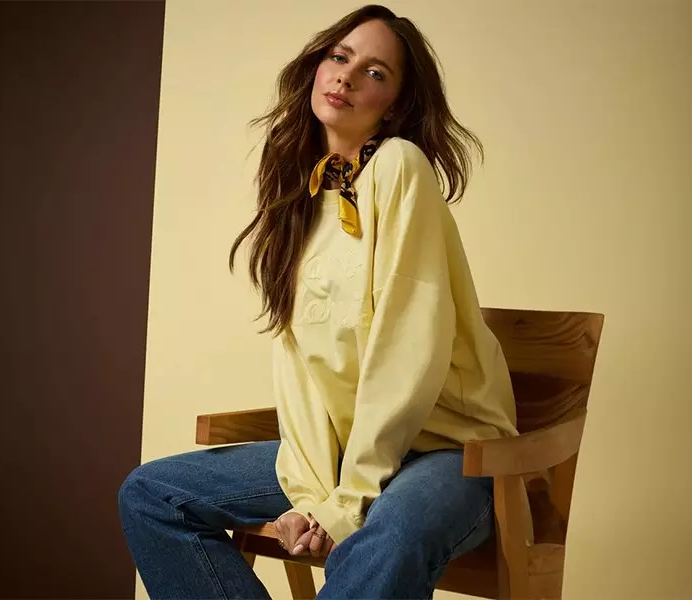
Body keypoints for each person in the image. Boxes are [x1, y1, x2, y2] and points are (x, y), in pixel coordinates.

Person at [118, 5, 518, 598]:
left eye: (376, 72)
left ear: (397, 104)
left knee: (388, 531)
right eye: (339, 56)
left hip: (448, 455)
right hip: (333, 456)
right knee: (153, 495)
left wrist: (343, 506)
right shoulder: (299, 198)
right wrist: (310, 497)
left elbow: (408, 351)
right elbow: (301, 370)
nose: (348, 77)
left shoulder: (400, 168)